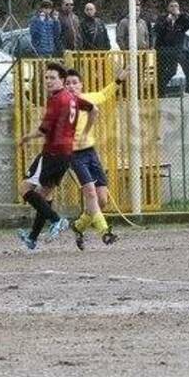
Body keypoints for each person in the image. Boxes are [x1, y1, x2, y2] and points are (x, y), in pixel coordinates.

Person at [17, 62, 97, 250]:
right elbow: (94, 109)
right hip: (66, 154)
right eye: (46, 77)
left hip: (52, 152)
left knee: (24, 188)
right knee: (45, 194)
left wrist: (26, 137)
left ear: (62, 80)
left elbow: (43, 130)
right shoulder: (72, 97)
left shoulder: (56, 99)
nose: (48, 81)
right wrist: (85, 131)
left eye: (53, 78)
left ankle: (56, 219)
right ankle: (32, 238)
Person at [65, 67, 126, 249]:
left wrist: (119, 80)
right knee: (90, 193)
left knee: (102, 200)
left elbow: (104, 94)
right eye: (67, 83)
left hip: (90, 152)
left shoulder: (88, 99)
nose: (71, 86)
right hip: (74, 155)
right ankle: (105, 232)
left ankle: (78, 226)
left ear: (81, 85)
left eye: (74, 82)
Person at [153, 1, 189, 95]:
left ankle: (161, 87)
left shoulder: (181, 19)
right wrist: (167, 20)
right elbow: (157, 29)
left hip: (175, 49)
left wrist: (181, 15)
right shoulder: (162, 18)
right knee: (160, 71)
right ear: (168, 8)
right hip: (162, 49)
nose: (174, 8)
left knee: (172, 70)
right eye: (171, 6)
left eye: (176, 6)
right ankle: (160, 92)